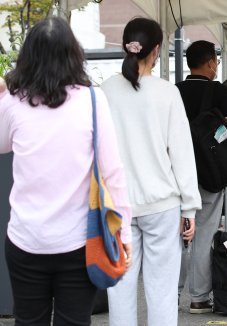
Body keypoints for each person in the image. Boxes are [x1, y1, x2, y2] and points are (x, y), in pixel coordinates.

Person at [0, 17, 132, 325]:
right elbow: (112, 172)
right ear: (73, 54)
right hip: (78, 243)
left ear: (28, 57)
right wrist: (123, 232)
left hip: (25, 240)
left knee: (28, 321)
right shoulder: (92, 100)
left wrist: (6, 89)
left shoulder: (14, 104)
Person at [102, 18, 201, 326]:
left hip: (118, 206)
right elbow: (181, 153)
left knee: (120, 288)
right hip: (163, 206)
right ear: (156, 50)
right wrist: (190, 207)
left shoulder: (104, 91)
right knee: (161, 290)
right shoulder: (167, 92)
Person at [175, 40, 227, 313]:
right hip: (208, 172)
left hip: (177, 173)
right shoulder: (217, 91)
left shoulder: (175, 91)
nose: (216, 66)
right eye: (216, 61)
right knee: (204, 233)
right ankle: (199, 297)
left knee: (177, 235)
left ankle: (170, 293)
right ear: (208, 63)